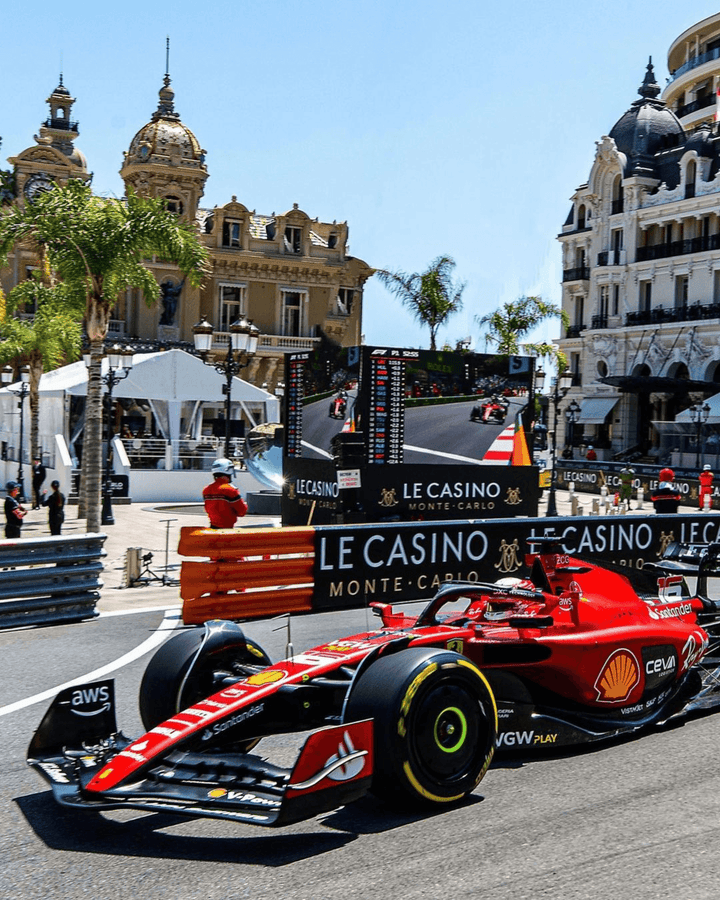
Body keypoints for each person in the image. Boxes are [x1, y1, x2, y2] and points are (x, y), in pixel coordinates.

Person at [202, 458, 248, 529]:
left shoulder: (206, 490)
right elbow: (242, 512)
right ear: (227, 470)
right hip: (227, 530)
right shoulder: (230, 490)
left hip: (213, 529)